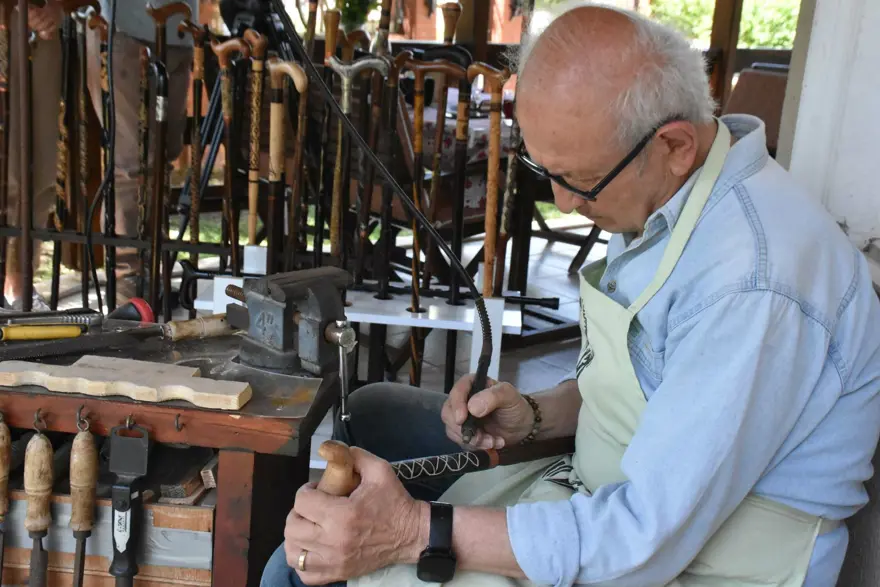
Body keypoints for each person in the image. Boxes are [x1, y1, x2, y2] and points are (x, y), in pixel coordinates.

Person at [261, 3, 880, 586]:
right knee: (368, 419)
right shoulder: (667, 195)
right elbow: (651, 387)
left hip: (689, 561)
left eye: (579, 181)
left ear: (674, 145)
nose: (562, 203)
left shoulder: (751, 283)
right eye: (547, 173)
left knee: (300, 569)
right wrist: (533, 415)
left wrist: (410, 532)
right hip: (598, 491)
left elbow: (645, 542)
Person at [89, 0, 197, 292]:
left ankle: (152, 273)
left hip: (179, 31)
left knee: (164, 159)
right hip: (125, 30)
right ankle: (128, 285)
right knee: (130, 163)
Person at [4, 0, 63, 309]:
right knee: (6, 169)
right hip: (5, 24)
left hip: (43, 33)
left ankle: (19, 287)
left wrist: (56, 9)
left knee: (39, 169)